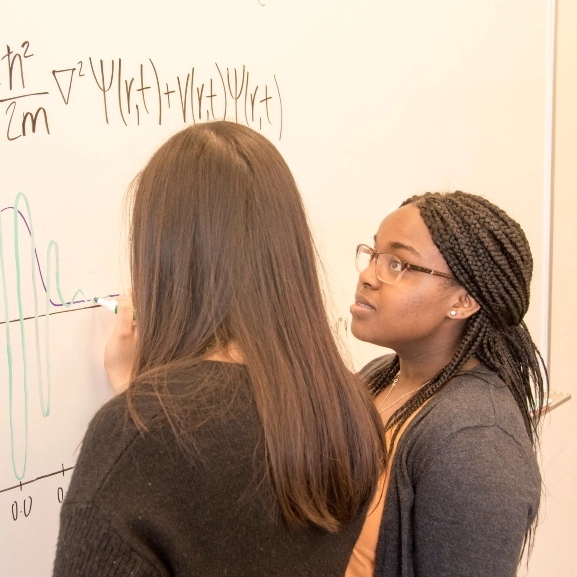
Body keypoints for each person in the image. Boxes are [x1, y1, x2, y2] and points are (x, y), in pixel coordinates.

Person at [52, 121, 387, 577]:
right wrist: (138, 397)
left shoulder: (140, 437)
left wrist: (137, 410)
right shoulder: (348, 411)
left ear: (166, 256)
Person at [346, 191, 547, 577]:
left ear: (463, 300)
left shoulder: (476, 440)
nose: (368, 275)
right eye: (373, 256)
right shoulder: (377, 378)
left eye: (398, 264)